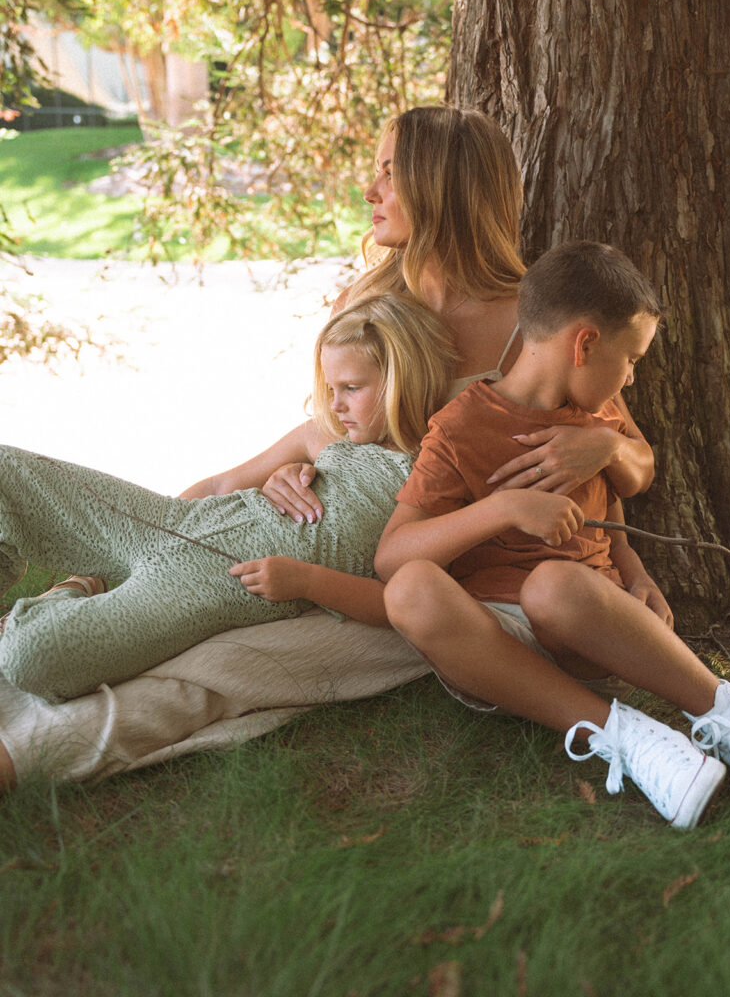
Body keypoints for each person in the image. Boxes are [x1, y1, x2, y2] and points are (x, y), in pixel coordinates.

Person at [0, 106, 653, 788]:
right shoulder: (366, 299)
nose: (369, 191)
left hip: (416, 583)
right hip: (296, 524)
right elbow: (332, 427)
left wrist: (604, 453)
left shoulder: (530, 321)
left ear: (443, 187)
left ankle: (42, 716)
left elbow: (628, 464)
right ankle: (81, 606)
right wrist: (289, 467)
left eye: (387, 173)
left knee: (216, 662)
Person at [377, 241, 730, 830]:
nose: (630, 373)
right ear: (585, 343)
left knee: (551, 587)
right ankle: (624, 737)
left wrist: (610, 450)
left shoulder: (601, 410)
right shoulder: (461, 429)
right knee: (411, 589)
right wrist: (502, 509)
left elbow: (638, 474)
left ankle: (729, 716)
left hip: (583, 620)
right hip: (492, 644)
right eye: (632, 359)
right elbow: (392, 558)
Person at [0, 294, 455, 705]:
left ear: (403, 378)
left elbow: (394, 598)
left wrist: (307, 582)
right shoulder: (322, 435)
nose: (334, 405)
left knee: (30, 657)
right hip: (176, 520)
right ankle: (105, 571)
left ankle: (78, 589)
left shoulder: (427, 478)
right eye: (331, 389)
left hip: (208, 587)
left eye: (352, 389)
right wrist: (153, 538)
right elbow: (221, 486)